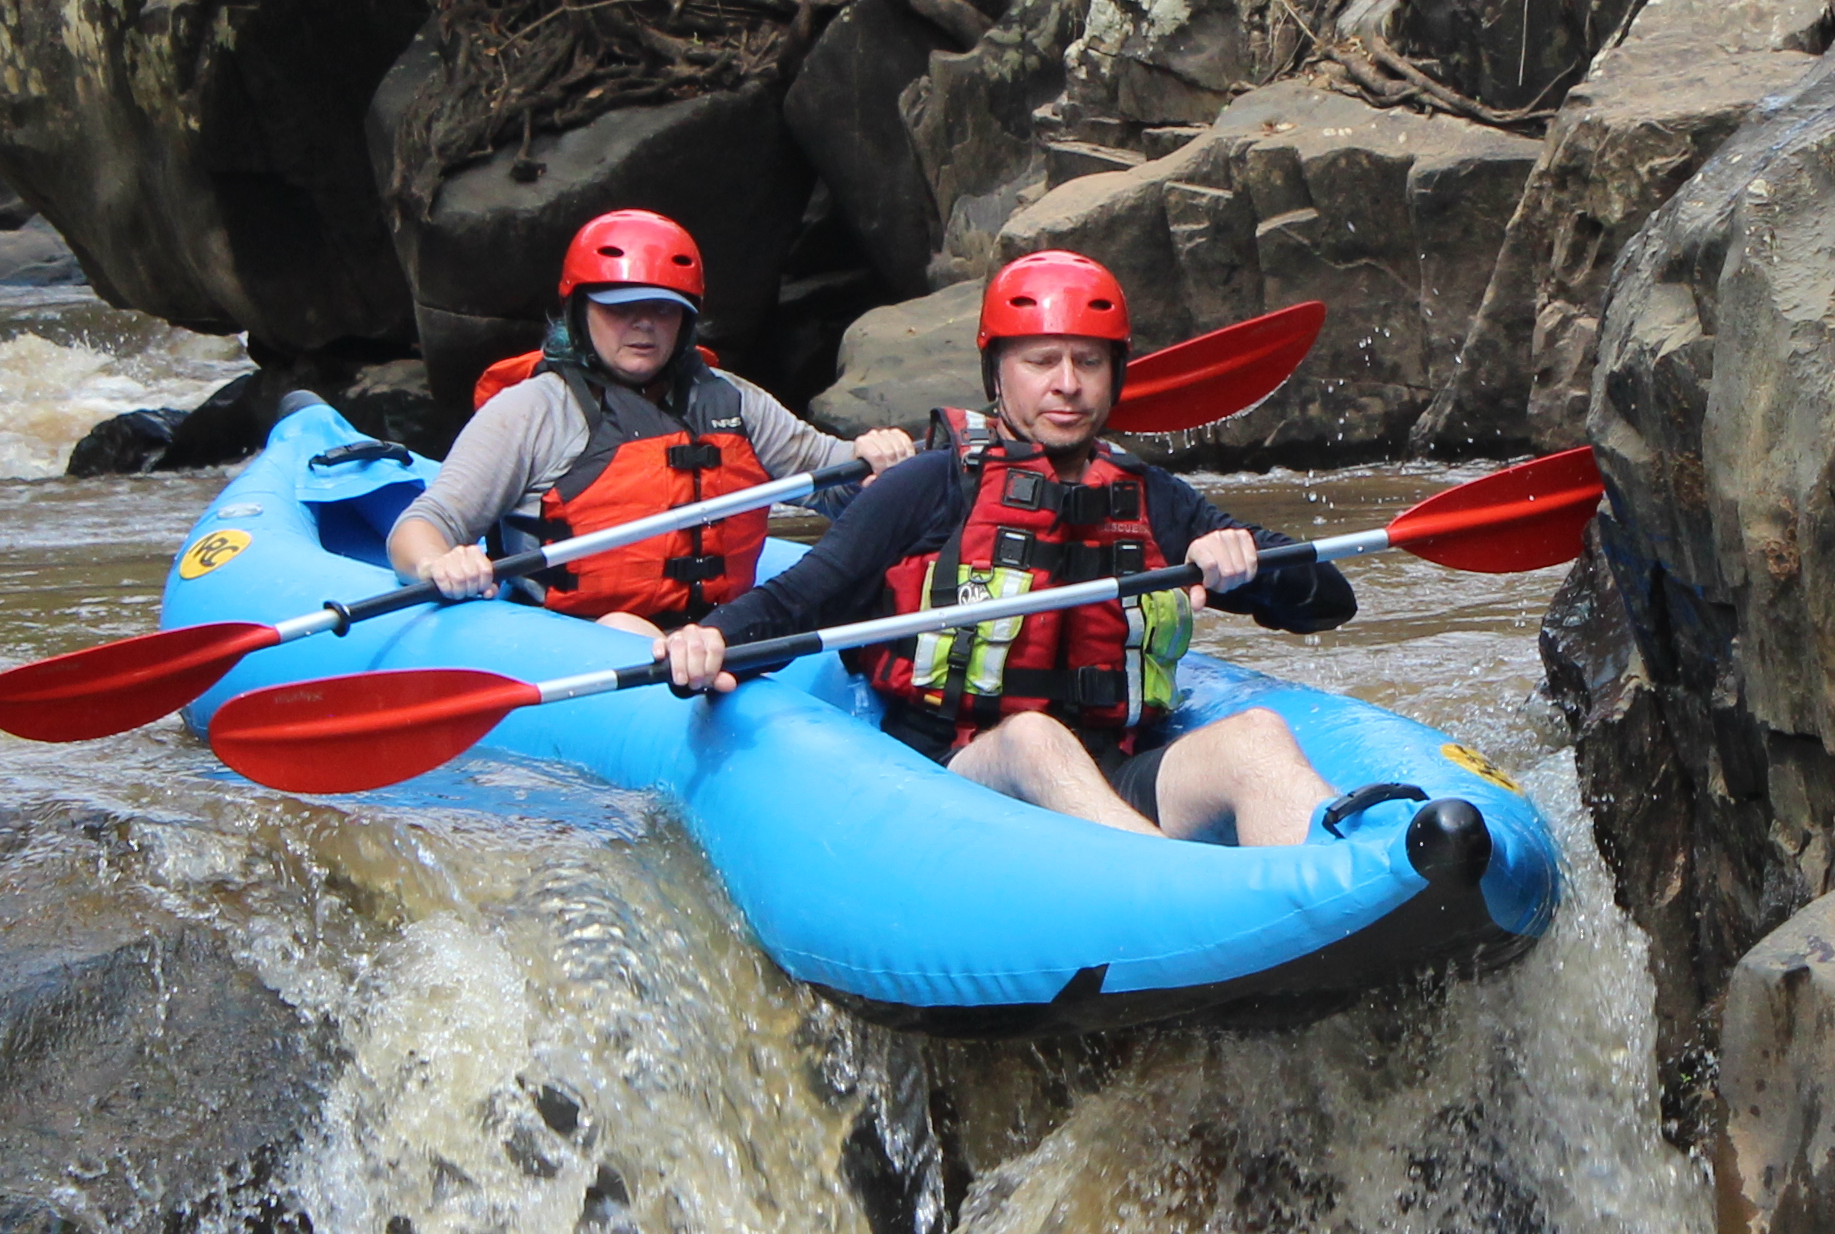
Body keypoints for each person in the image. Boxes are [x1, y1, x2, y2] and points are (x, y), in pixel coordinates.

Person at [654, 251, 1375, 847]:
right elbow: (799, 601)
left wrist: (1246, 562)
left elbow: (1328, 603)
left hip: (1114, 777)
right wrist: (708, 643)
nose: (1067, 384)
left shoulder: (1154, 498)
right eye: (1042, 361)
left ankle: (1340, 896)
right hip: (958, 785)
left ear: (1115, 375)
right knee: (1033, 737)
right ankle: (1181, 891)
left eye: (1088, 362)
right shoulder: (929, 487)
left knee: (1256, 736)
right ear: (997, 373)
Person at [385, 210, 910, 644]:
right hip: (573, 637)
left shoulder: (731, 400)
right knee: (624, 628)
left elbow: (835, 485)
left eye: (663, 310)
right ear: (579, 309)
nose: (644, 324)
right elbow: (421, 526)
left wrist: (875, 459)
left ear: (686, 320)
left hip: (712, 634)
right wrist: (438, 564)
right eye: (621, 308)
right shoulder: (531, 411)